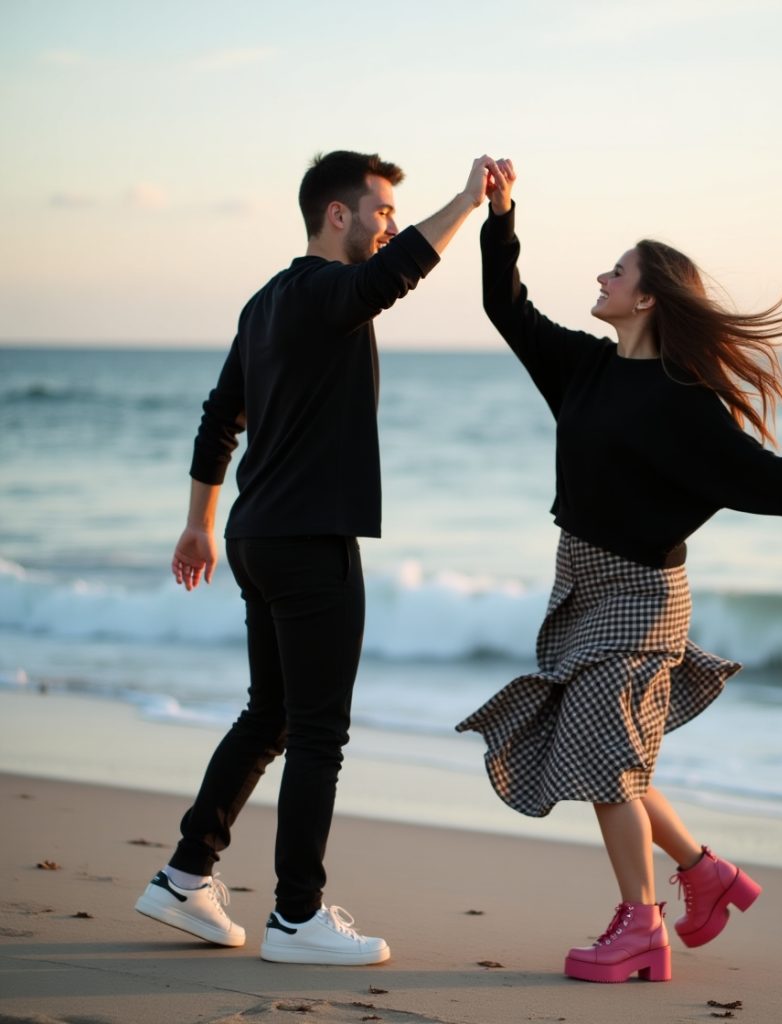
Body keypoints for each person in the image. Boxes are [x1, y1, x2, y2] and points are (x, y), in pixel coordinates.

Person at [456, 160, 782, 985]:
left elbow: (763, 476)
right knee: (609, 756)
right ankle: (705, 874)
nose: (601, 276)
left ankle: (640, 927)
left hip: (642, 596)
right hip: (580, 583)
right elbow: (503, 305)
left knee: (597, 748)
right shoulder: (583, 368)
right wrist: (502, 216)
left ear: (649, 296)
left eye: (616, 270)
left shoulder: (685, 402)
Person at [135, 150, 498, 966]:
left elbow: (218, 416)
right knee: (317, 732)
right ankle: (296, 916)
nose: (390, 228)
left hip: (257, 534)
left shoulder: (266, 302)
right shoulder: (326, 293)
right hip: (305, 540)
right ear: (338, 215)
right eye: (381, 212)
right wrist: (467, 202)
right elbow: (392, 276)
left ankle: (185, 876)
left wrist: (198, 522)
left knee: (271, 714)